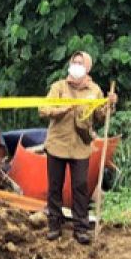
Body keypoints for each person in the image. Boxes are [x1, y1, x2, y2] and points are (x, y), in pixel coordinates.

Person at [38, 51, 116, 245]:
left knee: (80, 186)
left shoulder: (94, 90)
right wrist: (60, 110)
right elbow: (43, 109)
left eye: (81, 63)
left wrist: (109, 105)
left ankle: (81, 228)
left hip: (80, 146)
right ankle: (54, 225)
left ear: (88, 67)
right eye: (74, 62)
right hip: (57, 144)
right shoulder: (59, 87)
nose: (77, 66)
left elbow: (99, 116)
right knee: (55, 186)